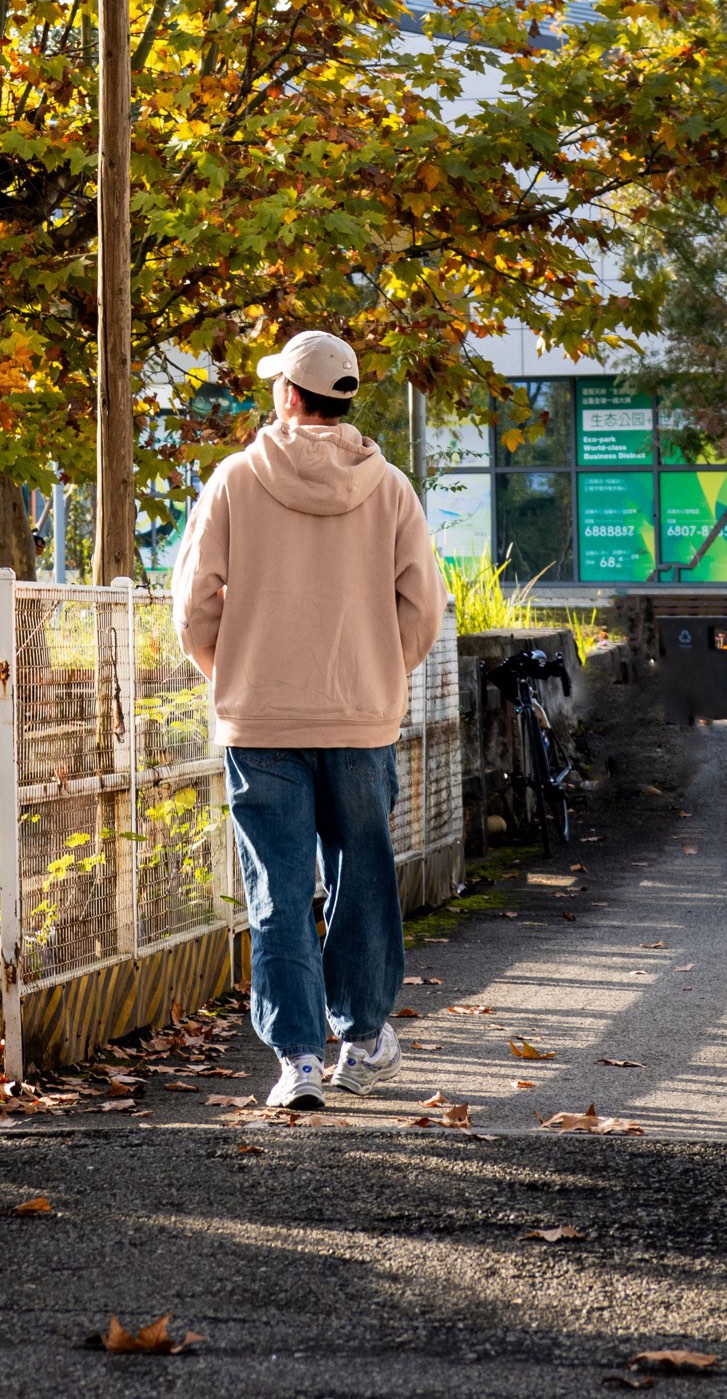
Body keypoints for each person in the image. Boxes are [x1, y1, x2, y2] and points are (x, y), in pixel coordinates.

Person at [171, 328, 448, 1111]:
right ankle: (360, 1040)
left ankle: (295, 1058)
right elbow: (422, 608)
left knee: (278, 887)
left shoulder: (234, 479)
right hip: (360, 715)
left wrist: (228, 671)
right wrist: (377, 674)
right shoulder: (390, 487)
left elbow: (193, 602)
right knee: (361, 873)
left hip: (259, 718)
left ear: (289, 395)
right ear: (341, 400)